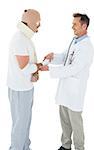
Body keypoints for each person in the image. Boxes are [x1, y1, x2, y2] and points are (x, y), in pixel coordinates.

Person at [42, 13, 94, 150]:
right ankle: (65, 146)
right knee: (64, 120)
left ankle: (79, 148)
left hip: (75, 92)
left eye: (75, 24)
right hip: (65, 90)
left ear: (84, 26)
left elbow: (73, 68)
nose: (72, 27)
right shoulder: (75, 40)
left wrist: (49, 69)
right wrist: (53, 57)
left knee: (76, 123)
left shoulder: (87, 47)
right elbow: (66, 57)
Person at [7, 9, 42, 150]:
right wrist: (38, 67)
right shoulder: (20, 39)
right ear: (32, 22)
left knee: (24, 122)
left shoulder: (24, 38)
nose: (39, 26)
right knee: (20, 124)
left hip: (24, 88)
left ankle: (24, 147)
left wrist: (35, 71)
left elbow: (26, 67)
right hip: (20, 89)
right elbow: (24, 68)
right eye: (38, 23)